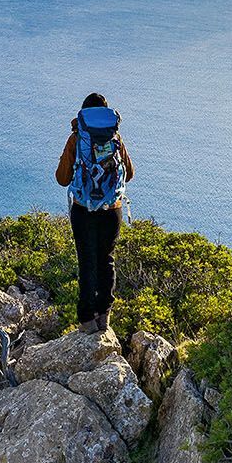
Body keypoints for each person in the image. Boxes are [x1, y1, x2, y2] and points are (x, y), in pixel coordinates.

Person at [55, 93, 134, 332]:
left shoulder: (77, 138)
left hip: (83, 210)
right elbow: (129, 174)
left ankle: (87, 320)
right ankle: (104, 316)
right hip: (112, 210)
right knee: (106, 261)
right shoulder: (115, 138)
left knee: (87, 262)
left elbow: (62, 178)